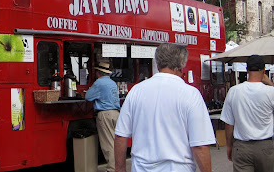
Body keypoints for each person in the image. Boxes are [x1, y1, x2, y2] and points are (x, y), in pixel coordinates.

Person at [115, 43, 215, 172]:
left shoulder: (136, 91)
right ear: (182, 64)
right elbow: (200, 146)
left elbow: (120, 136)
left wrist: (120, 169)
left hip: (141, 168)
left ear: (157, 62)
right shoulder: (191, 94)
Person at [220, 54, 274, 172]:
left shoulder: (234, 91)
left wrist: (229, 146)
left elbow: (229, 123)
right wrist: (269, 82)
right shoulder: (271, 92)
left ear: (247, 70)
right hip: (266, 147)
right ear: (264, 70)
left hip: (242, 147)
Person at [85, 62, 120, 172]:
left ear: (99, 73)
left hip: (105, 114)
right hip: (116, 113)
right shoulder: (112, 83)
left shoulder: (99, 83)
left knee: (108, 143)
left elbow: (88, 97)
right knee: (116, 142)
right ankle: (118, 166)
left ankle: (112, 169)